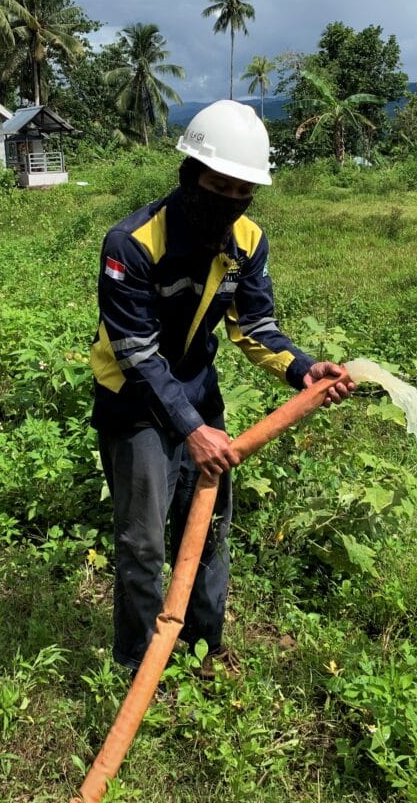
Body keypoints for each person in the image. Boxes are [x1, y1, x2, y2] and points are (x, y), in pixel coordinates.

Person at [90, 99, 354, 673]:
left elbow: (254, 325)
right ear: (190, 176)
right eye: (220, 185)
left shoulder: (248, 240)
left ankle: (204, 645)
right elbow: (137, 353)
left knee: (207, 528)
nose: (231, 200)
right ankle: (138, 661)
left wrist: (302, 368)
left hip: (198, 393)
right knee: (143, 544)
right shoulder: (132, 243)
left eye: (243, 192)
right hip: (134, 401)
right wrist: (191, 430)